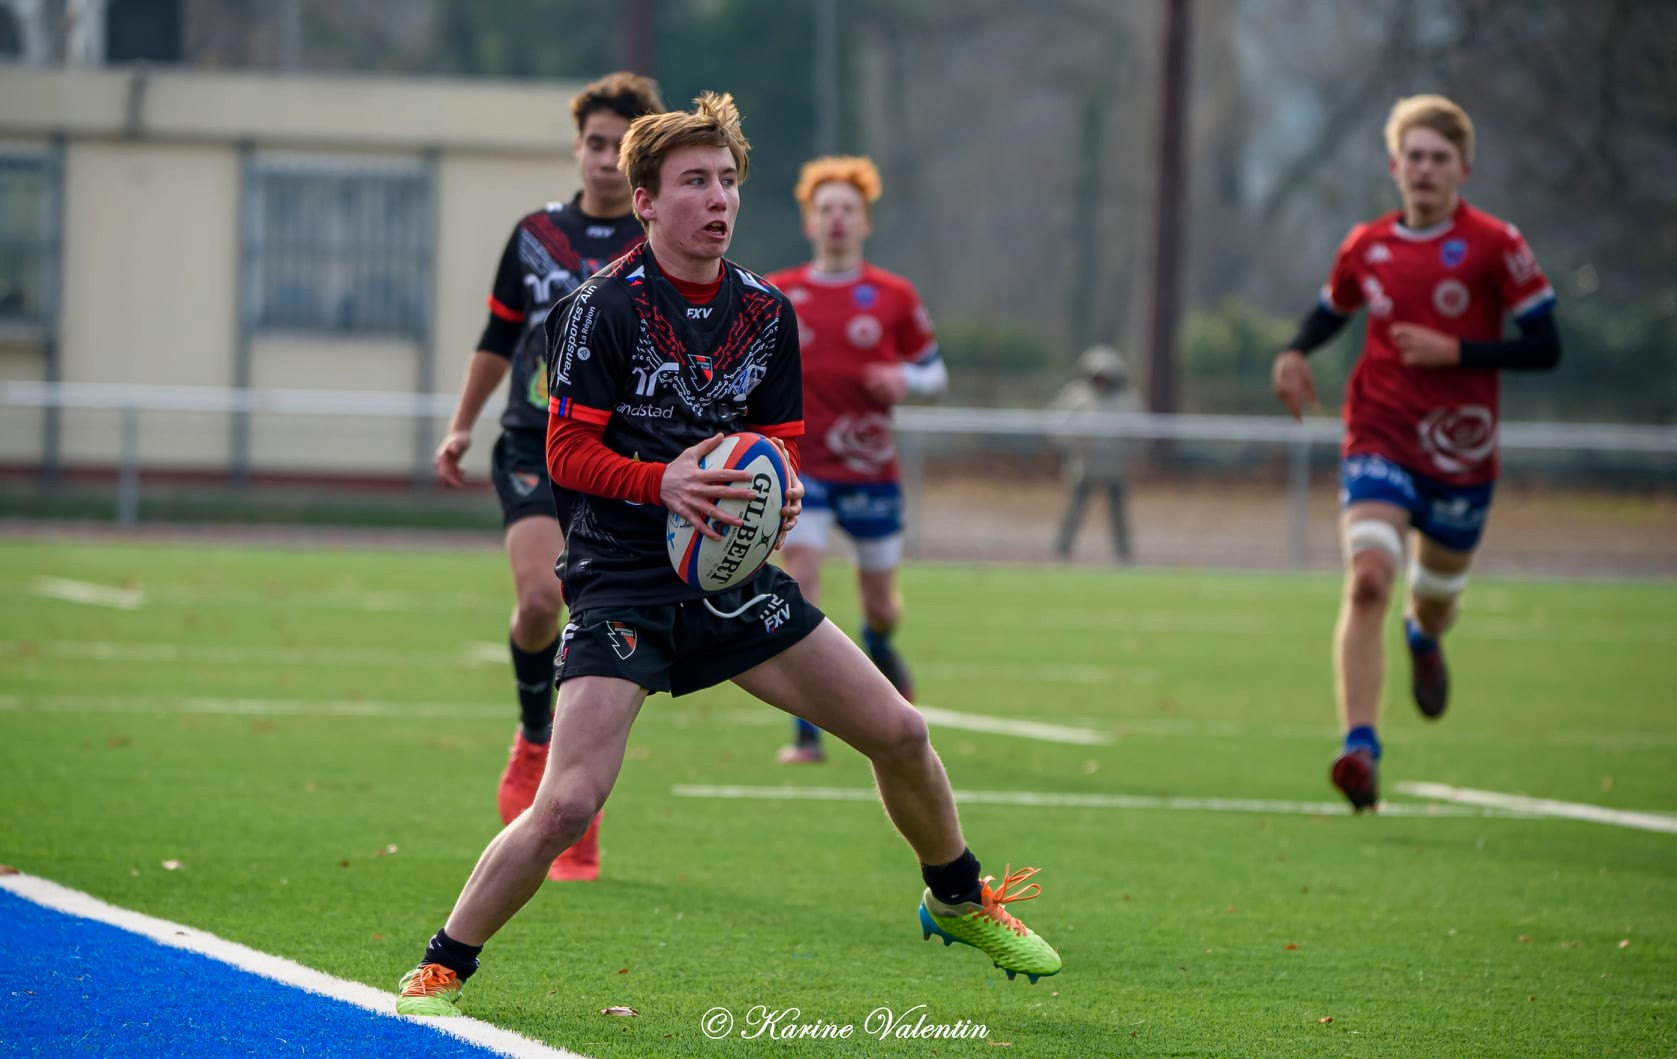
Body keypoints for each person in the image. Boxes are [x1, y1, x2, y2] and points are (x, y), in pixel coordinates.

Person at [395, 93, 1060, 1017]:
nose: (718, 198)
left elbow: (779, 439)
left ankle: (955, 896)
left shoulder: (765, 312)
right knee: (568, 803)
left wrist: (779, 490)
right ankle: (441, 966)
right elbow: (565, 456)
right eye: (694, 182)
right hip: (624, 583)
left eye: (728, 180)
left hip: (730, 576)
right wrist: (661, 481)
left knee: (901, 732)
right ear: (646, 202)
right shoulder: (598, 310)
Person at [1270, 94, 1560, 812]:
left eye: (1438, 158)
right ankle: (1358, 748)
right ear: (1394, 166)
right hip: (1379, 434)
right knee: (1368, 577)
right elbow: (1332, 308)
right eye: (1413, 157)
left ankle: (1422, 638)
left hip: (1461, 457)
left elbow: (1545, 344)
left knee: (1432, 605)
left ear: (1462, 168)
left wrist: (1455, 350)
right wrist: (1293, 350)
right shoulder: (1366, 245)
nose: (1424, 169)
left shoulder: (1495, 244)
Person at [432, 72, 664, 881]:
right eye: (594, 143)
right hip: (534, 440)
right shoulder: (535, 236)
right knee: (540, 600)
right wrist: (463, 421)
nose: (604, 159)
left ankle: (574, 804)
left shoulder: (658, 248)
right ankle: (535, 739)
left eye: (620, 147)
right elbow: (496, 335)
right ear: (578, 148)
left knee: (593, 619)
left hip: (623, 457)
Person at [765, 156, 947, 765]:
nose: (836, 219)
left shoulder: (893, 296)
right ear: (809, 222)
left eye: (848, 209)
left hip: (871, 473)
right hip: (803, 471)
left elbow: (935, 372)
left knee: (881, 606)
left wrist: (904, 379)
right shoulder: (778, 293)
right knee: (804, 581)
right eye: (826, 209)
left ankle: (879, 640)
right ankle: (807, 733)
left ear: (865, 221)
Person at [1049, 344, 1145, 561]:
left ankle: (1123, 551)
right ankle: (1063, 547)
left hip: (1116, 467)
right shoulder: (1077, 395)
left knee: (1118, 511)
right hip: (1085, 466)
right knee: (1075, 508)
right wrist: (1075, 445)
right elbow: (1057, 425)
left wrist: (1129, 453)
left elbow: (1140, 431)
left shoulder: (1128, 398)